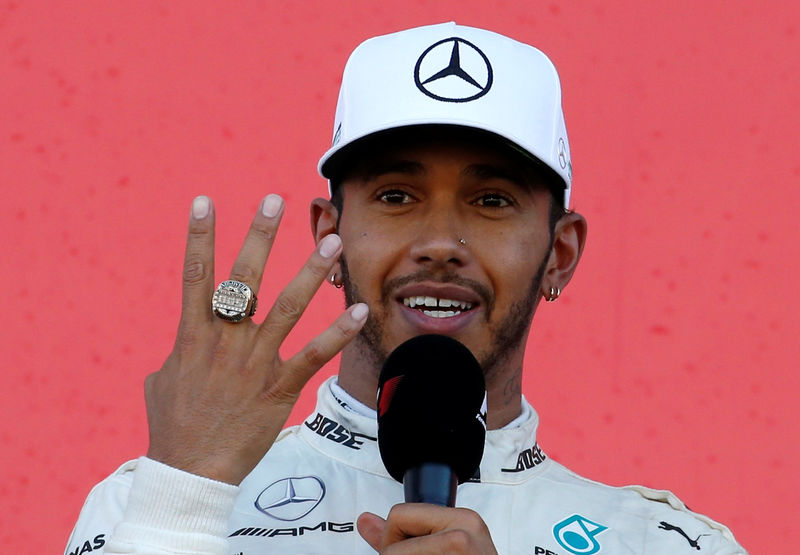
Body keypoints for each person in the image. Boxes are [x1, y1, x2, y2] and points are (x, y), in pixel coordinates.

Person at [65, 22, 747, 554]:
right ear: (329, 235)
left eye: (491, 199)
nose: (440, 242)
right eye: (397, 194)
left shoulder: (666, 542)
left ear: (559, 253)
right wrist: (183, 502)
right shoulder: (154, 501)